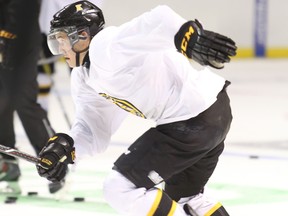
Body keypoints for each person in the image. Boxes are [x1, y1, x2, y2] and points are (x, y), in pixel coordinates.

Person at [36, 1, 237, 215]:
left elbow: (159, 18)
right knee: (188, 198)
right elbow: (92, 129)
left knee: (120, 188)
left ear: (83, 35)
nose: (61, 49)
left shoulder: (106, 46)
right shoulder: (84, 77)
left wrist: (188, 37)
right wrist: (65, 147)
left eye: (63, 40)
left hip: (191, 121)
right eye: (56, 42)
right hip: (215, 113)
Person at [0, 0, 62, 194]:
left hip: (20, 38)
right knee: (2, 101)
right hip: (5, 34)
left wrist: (5, 37)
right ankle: (7, 163)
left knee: (23, 101)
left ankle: (55, 159)